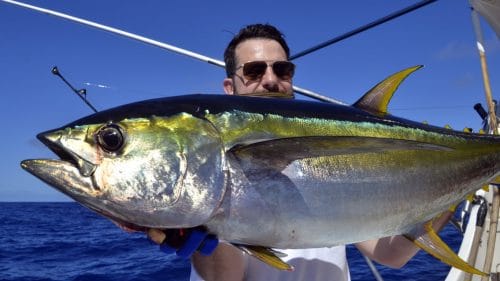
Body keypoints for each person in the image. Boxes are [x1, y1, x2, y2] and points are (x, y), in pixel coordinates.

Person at [147, 23, 454, 281]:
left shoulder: (332, 149)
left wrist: (456, 182)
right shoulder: (208, 166)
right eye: (253, 71)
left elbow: (391, 254)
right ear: (230, 86)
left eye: (282, 69)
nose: (270, 79)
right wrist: (203, 242)